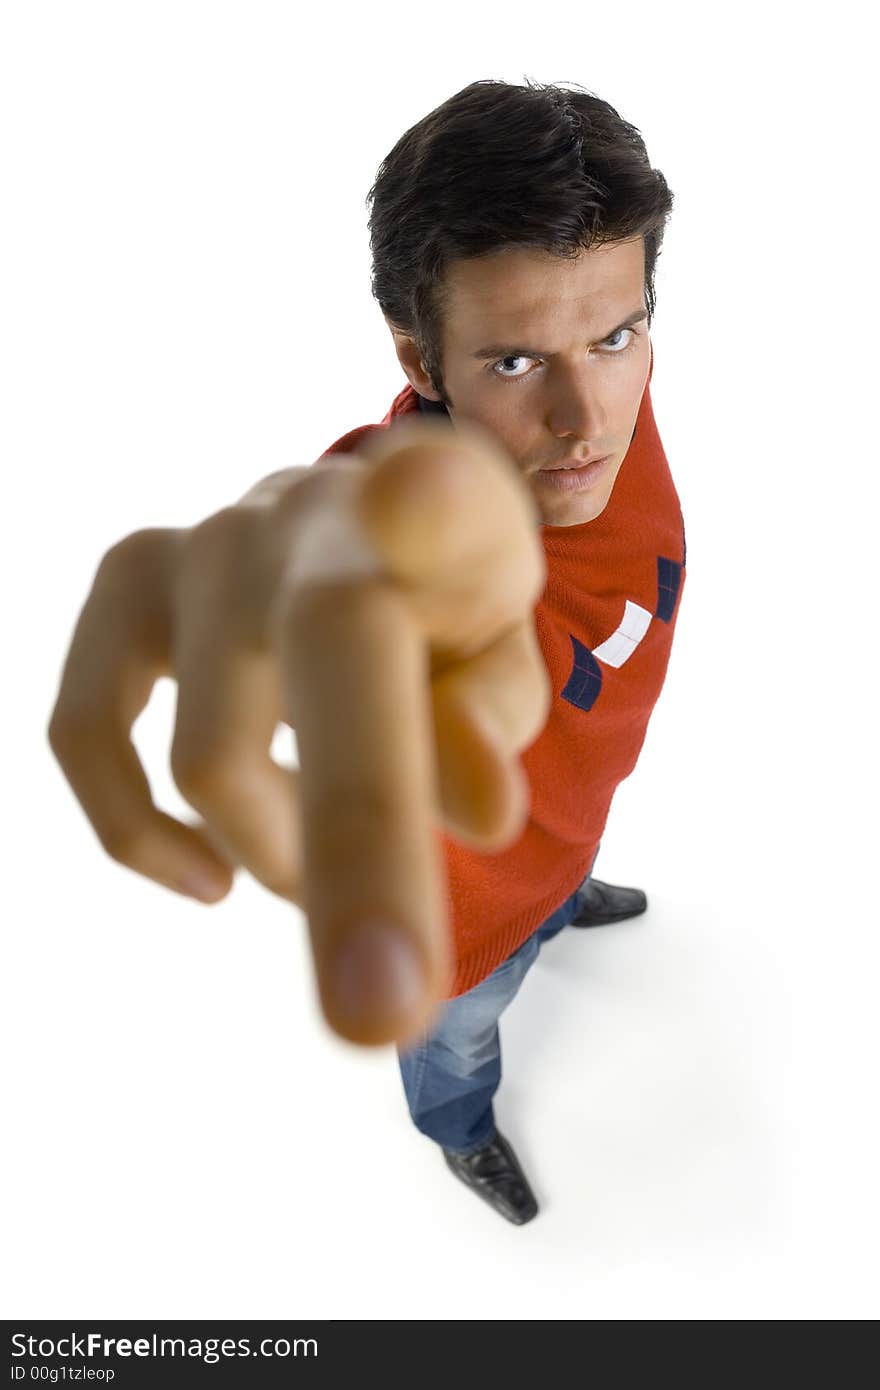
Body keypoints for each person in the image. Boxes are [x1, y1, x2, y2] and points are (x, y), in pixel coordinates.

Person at [47, 78, 686, 1228]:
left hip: (566, 814)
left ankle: (564, 891)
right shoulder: (410, 527)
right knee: (458, 1041)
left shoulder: (597, 382)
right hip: (455, 917)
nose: (586, 419)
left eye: (616, 333)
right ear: (420, 359)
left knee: (558, 858)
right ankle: (460, 1133)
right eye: (511, 362)